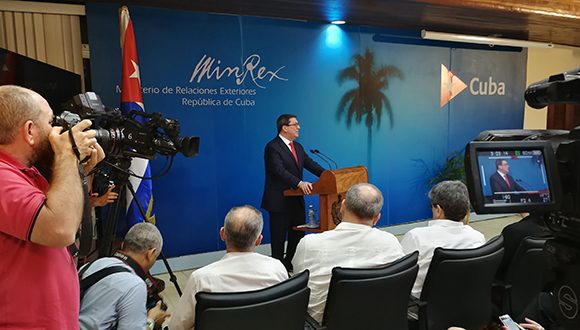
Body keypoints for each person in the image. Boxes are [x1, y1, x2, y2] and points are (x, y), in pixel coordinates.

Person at [0, 85, 104, 329]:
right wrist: (68, 153)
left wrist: (80, 172)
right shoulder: (3, 176)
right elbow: (60, 229)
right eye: (51, 121)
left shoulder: (26, 173)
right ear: (29, 131)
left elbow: (63, 213)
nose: (57, 130)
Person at [292, 183, 405, 323]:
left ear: (342, 206)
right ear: (377, 218)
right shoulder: (391, 243)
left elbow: (299, 284)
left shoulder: (309, 244)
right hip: (380, 321)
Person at [169, 205, 288, 330]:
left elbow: (176, 327)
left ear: (222, 234)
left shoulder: (201, 279)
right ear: (259, 240)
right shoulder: (277, 268)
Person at [261, 114, 325, 271]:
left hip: (296, 200)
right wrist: (299, 183)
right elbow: (278, 170)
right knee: (279, 238)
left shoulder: (298, 147)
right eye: (295, 124)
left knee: (297, 235)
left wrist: (330, 176)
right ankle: (277, 270)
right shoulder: (272, 147)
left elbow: (311, 165)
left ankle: (289, 264)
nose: (299, 127)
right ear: (284, 128)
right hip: (279, 201)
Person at [401, 180, 486, 297]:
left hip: (421, 305)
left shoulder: (416, 237)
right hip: (466, 301)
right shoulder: (478, 238)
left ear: (438, 210)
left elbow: (400, 275)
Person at [78, 222, 170, 330]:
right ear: (151, 253)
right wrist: (151, 320)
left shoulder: (94, 264)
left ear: (122, 245)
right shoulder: (135, 285)